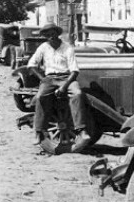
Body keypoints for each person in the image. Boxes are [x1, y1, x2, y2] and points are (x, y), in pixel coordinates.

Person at [27, 22, 91, 153]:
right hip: (49, 79)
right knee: (40, 97)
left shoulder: (67, 47)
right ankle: (39, 131)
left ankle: (81, 130)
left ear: (57, 34)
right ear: (45, 36)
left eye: (53, 34)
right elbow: (31, 65)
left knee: (78, 93)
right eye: (47, 35)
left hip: (66, 78)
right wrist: (42, 79)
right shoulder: (43, 47)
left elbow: (74, 71)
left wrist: (64, 87)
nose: (51, 37)